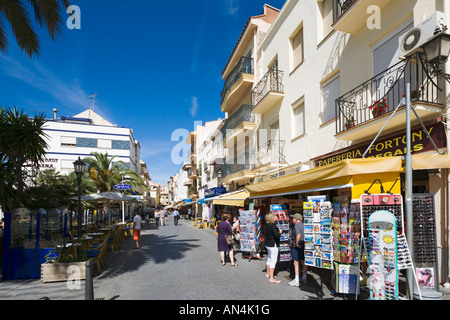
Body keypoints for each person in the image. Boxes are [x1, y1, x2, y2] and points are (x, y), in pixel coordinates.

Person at [289, 213, 307, 286]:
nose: (292, 219)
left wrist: (297, 243)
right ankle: (304, 277)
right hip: (304, 245)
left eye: (293, 218)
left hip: (298, 246)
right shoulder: (304, 225)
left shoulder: (296, 225)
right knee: (303, 262)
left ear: (296, 219)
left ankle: (296, 280)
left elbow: (298, 235)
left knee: (296, 262)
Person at [264, 212, 281, 283]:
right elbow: (277, 235)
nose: (276, 217)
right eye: (274, 216)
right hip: (273, 244)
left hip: (267, 244)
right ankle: (271, 278)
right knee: (273, 261)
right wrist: (280, 232)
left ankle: (268, 273)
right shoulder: (273, 225)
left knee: (269, 258)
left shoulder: (266, 225)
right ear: (272, 217)